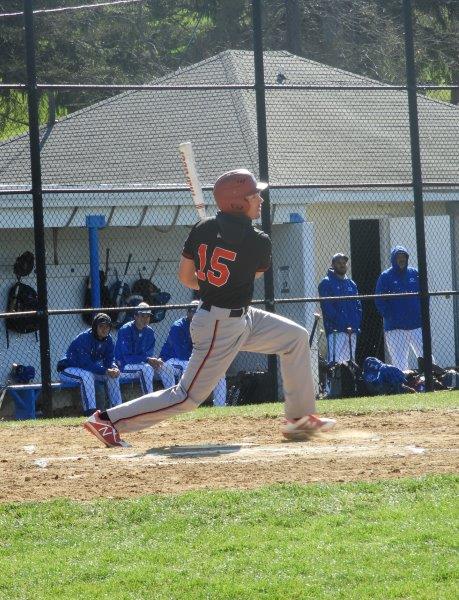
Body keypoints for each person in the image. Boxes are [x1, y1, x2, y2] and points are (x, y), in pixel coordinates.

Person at [83, 169, 335, 447]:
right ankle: (108, 421)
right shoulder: (258, 240)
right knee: (187, 397)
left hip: (240, 316)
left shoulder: (203, 229)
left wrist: (212, 276)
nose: (260, 199)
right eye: (254, 195)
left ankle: (299, 421)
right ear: (238, 203)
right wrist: (222, 274)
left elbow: (185, 277)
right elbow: (254, 275)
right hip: (219, 325)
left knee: (295, 338)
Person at [160, 300, 227, 406]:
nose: (195, 315)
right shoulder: (178, 326)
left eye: (198, 312)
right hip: (172, 360)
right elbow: (181, 354)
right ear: (188, 313)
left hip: (192, 360)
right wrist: (201, 359)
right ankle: (183, 403)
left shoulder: (202, 326)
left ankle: (220, 406)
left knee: (219, 372)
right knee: (188, 366)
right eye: (193, 312)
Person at [57, 313, 122, 416]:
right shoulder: (84, 338)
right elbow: (85, 363)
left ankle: (117, 409)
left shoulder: (108, 340)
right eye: (101, 326)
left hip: (87, 370)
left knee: (113, 376)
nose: (104, 329)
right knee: (87, 376)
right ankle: (91, 413)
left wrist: (113, 368)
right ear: (95, 327)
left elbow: (109, 360)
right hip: (68, 369)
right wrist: (105, 370)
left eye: (107, 327)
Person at [375, 245, 423, 371]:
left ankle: (431, 382)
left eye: (404, 257)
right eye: (398, 257)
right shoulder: (385, 276)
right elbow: (379, 300)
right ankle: (403, 386)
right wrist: (391, 315)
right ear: (393, 259)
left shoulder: (415, 273)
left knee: (426, 356)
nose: (401, 259)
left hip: (416, 324)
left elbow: (424, 296)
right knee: (399, 360)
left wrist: (421, 313)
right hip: (395, 327)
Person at [115, 302, 176, 394]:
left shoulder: (149, 332)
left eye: (148, 316)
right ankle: (149, 401)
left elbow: (148, 355)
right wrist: (147, 360)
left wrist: (155, 361)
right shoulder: (125, 330)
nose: (145, 319)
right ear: (135, 316)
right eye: (142, 316)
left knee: (166, 366)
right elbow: (126, 358)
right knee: (146, 369)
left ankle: (173, 397)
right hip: (123, 367)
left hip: (142, 365)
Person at [318, 253, 362, 363]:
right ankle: (331, 381)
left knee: (350, 363)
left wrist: (355, 324)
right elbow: (328, 308)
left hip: (352, 330)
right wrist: (343, 323)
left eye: (344, 263)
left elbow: (358, 306)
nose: (342, 265)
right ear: (333, 265)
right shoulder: (326, 283)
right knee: (335, 363)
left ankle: (349, 381)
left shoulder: (351, 284)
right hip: (336, 330)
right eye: (339, 263)